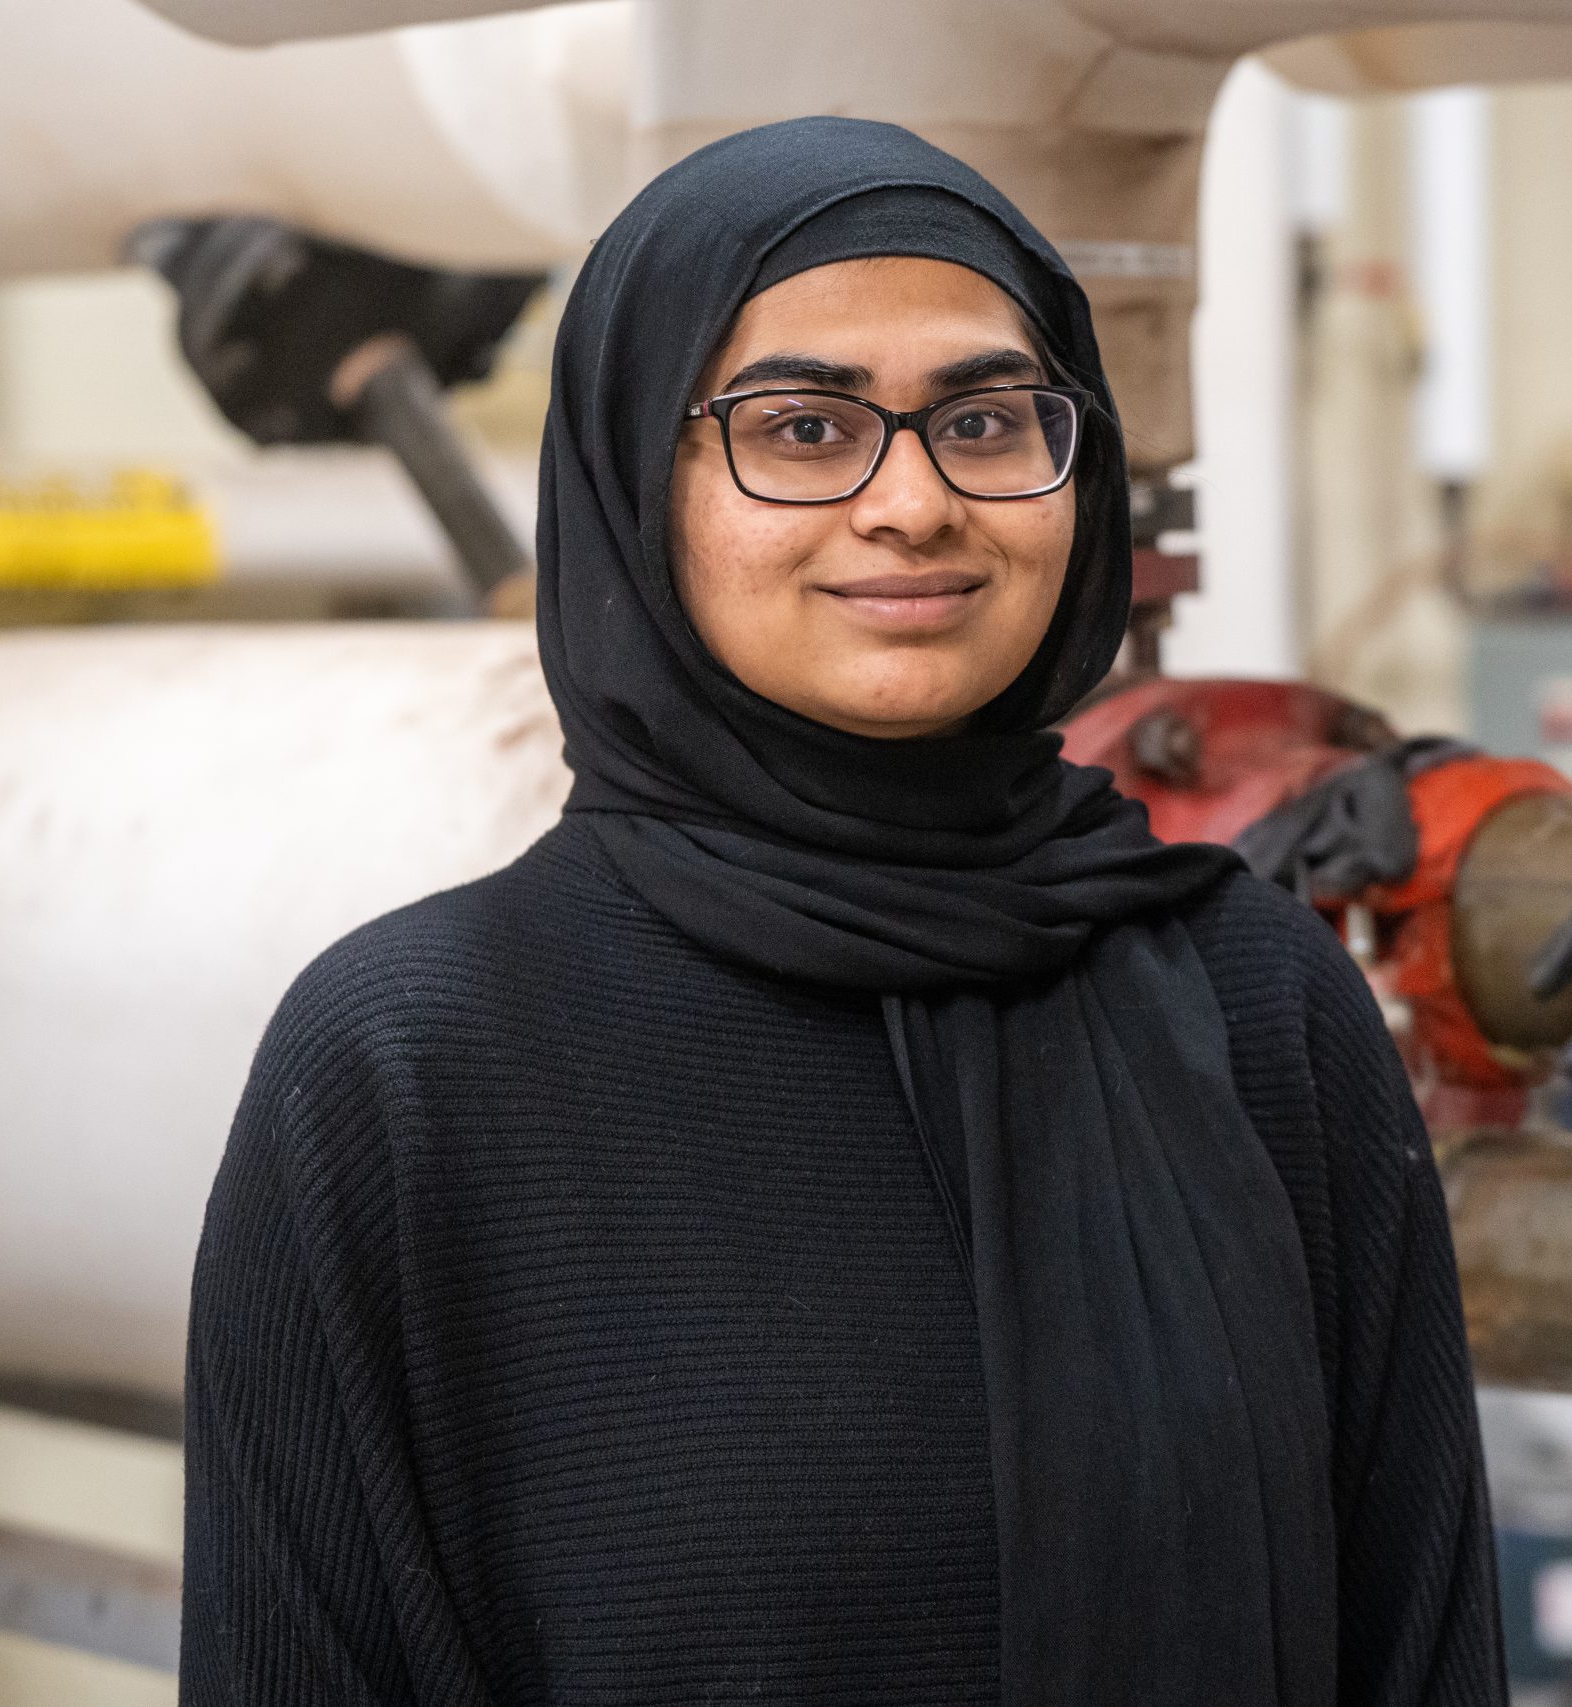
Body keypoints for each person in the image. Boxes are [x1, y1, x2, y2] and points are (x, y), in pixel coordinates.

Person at [181, 116, 1504, 1707]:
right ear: (631, 477)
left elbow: (1423, 1647)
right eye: (802, 428)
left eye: (990, 420)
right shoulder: (413, 1068)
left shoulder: (1253, 998)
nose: (913, 503)